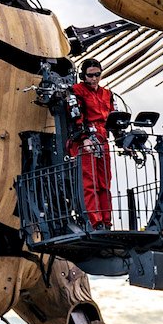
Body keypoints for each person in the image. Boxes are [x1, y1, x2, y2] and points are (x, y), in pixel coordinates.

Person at [67, 62, 114, 226]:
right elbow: (75, 117)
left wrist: (124, 141)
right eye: (90, 75)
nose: (94, 79)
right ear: (83, 76)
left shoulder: (107, 94)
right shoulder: (76, 91)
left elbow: (113, 119)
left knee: (105, 182)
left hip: (103, 139)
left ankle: (106, 221)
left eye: (97, 75)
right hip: (87, 139)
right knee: (90, 181)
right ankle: (95, 221)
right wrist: (84, 138)